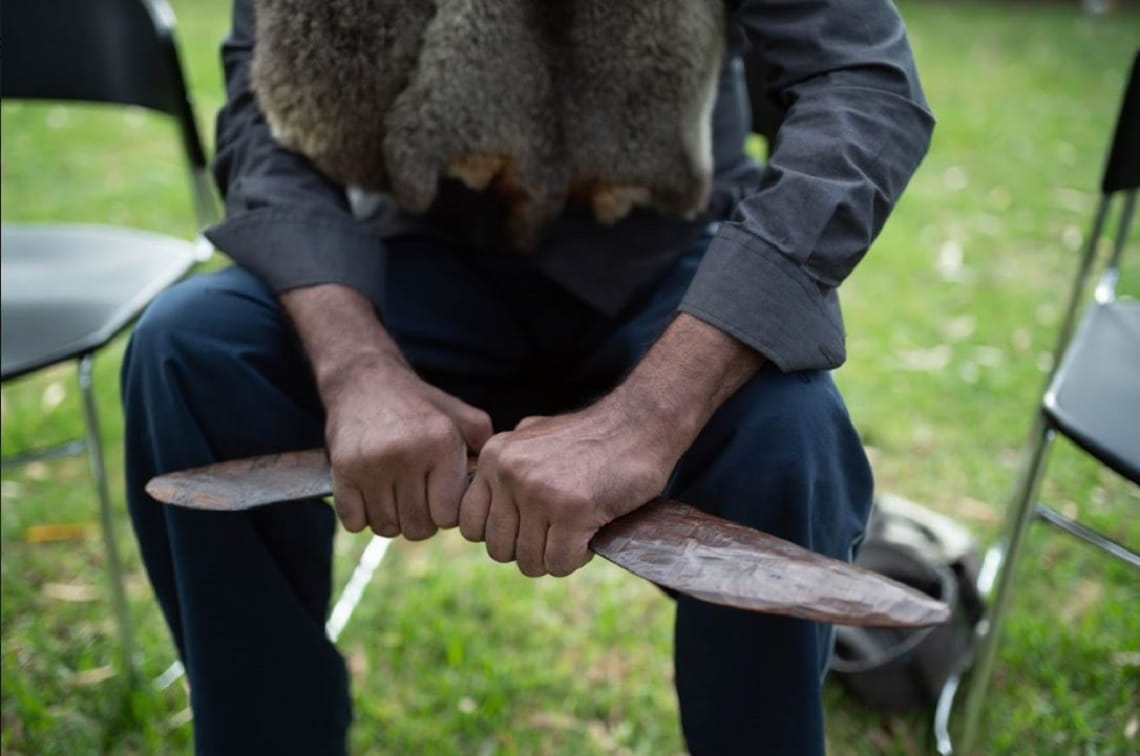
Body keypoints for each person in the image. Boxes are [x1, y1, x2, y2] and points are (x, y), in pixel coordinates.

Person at [122, 0, 933, 753]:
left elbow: (862, 85)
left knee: (791, 432)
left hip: (667, 262)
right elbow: (266, 119)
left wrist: (645, 421)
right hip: (417, 251)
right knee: (192, 348)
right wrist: (357, 366)